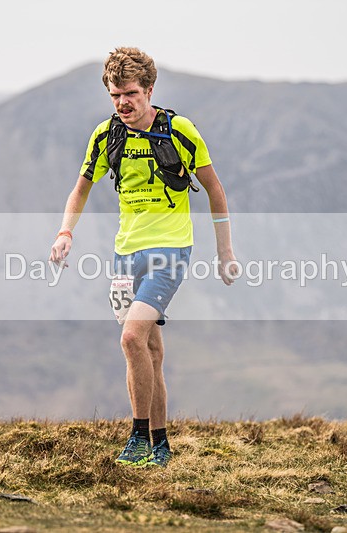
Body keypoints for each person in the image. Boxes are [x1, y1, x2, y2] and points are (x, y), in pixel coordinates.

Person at [49, 47, 238, 467]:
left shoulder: (180, 130)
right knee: (149, 352)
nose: (123, 104)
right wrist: (65, 232)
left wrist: (225, 251)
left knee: (131, 337)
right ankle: (161, 445)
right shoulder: (106, 135)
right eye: (115, 96)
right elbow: (80, 189)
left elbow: (215, 189)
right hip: (124, 256)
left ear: (149, 90)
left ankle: (136, 437)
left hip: (170, 251)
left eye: (131, 94)